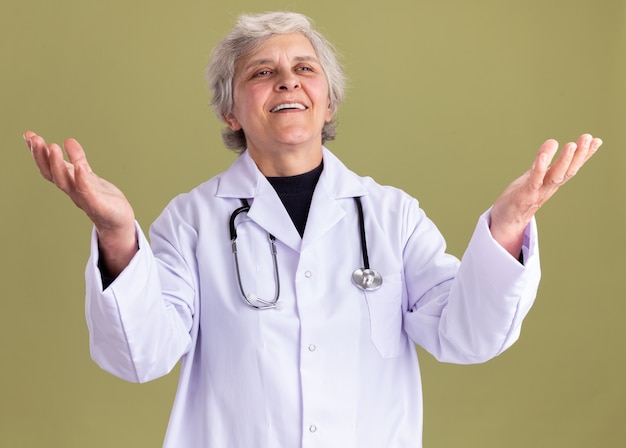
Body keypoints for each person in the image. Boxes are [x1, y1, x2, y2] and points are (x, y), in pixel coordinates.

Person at [24, 11, 602, 448]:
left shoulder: (389, 214)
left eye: (304, 69)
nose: (287, 82)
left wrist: (508, 228)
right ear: (230, 111)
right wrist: (118, 234)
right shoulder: (192, 221)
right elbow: (140, 355)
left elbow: (468, 334)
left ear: (327, 104)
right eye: (262, 72)